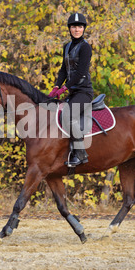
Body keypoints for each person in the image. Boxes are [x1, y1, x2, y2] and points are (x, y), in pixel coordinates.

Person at [49, 13, 93, 167]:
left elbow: (81, 72)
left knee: (67, 114)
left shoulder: (86, 47)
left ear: (83, 29)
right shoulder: (66, 46)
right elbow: (63, 69)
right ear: (69, 29)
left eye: (80, 27)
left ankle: (80, 153)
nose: (77, 29)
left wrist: (64, 88)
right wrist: (56, 86)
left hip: (84, 92)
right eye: (74, 26)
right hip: (72, 92)